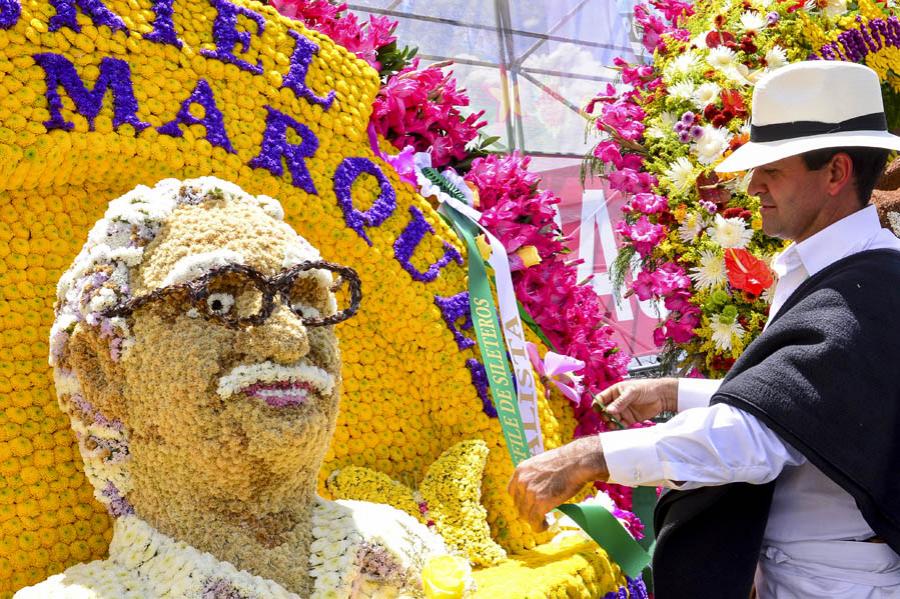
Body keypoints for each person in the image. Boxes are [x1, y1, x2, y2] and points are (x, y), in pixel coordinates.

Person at [509, 61, 900, 598]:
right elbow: (808, 403)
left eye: (773, 169)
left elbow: (762, 436)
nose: (754, 184)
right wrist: (672, 391)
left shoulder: (870, 288)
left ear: (835, 173)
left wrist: (592, 457)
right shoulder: (839, 273)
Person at [17, 178, 449, 598]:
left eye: (303, 303)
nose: (289, 340)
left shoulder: (407, 548)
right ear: (102, 369)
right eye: (217, 303)